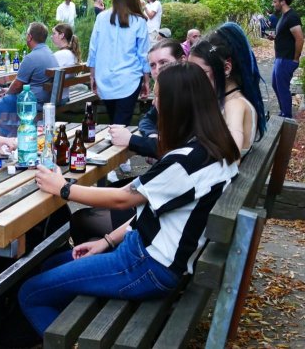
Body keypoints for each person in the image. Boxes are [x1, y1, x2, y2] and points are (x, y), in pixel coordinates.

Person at [19, 63, 240, 337]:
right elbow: (151, 209)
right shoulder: (214, 149)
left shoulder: (185, 163)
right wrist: (106, 241)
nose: (154, 104)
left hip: (148, 266)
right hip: (149, 254)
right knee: (51, 266)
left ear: (177, 106)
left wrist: (64, 189)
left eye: (158, 97)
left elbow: (124, 199)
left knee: (31, 293)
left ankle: (63, 338)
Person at [189, 22, 266, 157]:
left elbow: (233, 155)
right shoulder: (230, 99)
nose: (193, 80)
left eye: (201, 73)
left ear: (226, 68)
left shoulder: (235, 105)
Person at [109, 39, 185, 159]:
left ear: (182, 60)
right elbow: (147, 120)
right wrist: (153, 136)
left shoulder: (189, 94)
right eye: (153, 65)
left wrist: (131, 140)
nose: (157, 69)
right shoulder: (168, 90)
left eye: (163, 62)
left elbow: (176, 149)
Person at [88, 0, 149, 127]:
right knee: (120, 123)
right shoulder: (139, 21)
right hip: (130, 79)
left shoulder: (101, 18)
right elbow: (143, 54)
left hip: (105, 78)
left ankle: (114, 140)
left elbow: (93, 49)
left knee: (114, 122)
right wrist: (146, 80)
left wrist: (92, 75)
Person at [0, 22, 59, 128]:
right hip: (43, 100)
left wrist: (7, 94)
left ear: (29, 37)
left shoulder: (31, 58)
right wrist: (9, 91)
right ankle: (9, 129)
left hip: (30, 103)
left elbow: (17, 86)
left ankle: (9, 130)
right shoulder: (50, 54)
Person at [269, 0, 303, 118]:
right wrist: (275, 37)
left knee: (282, 87)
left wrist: (295, 59)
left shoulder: (292, 17)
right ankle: (283, 111)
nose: (273, 4)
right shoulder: (283, 16)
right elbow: (286, 36)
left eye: (275, 1)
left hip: (286, 58)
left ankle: (287, 117)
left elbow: (300, 39)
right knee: (275, 85)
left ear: (282, 2)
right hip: (280, 57)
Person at [51, 23, 81, 101]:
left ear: (62, 35)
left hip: (55, 99)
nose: (52, 36)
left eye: (54, 33)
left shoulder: (60, 55)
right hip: (65, 97)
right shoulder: (72, 53)